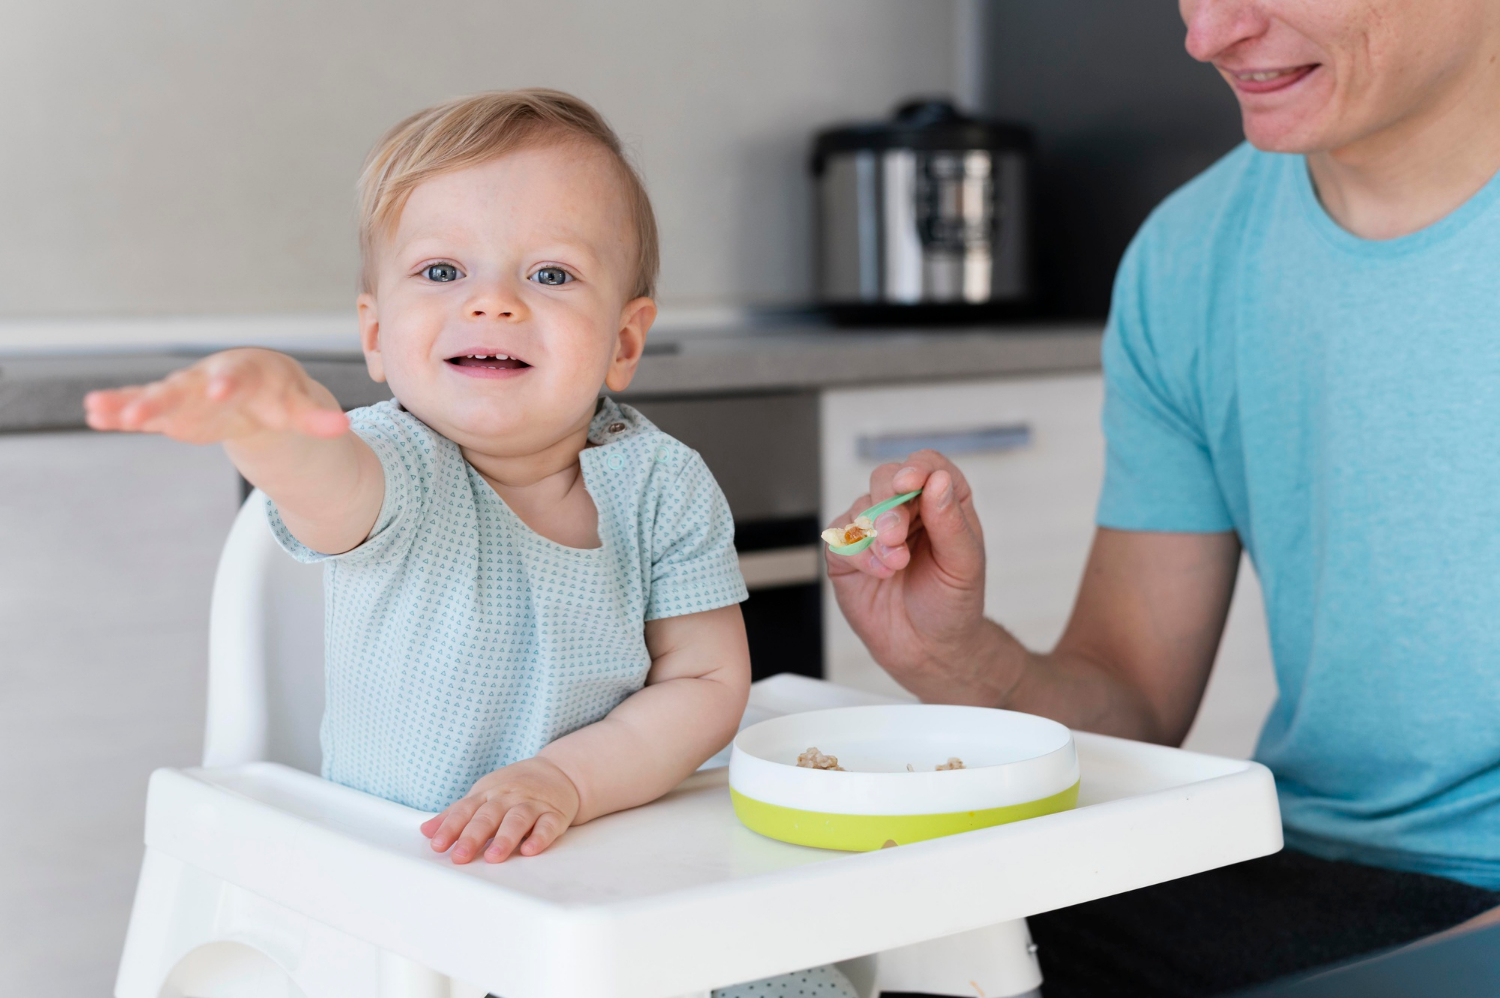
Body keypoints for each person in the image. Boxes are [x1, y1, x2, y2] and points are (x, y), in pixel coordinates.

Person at [826, 1, 1500, 994]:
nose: (1210, 33)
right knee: (882, 951)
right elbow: (1130, 702)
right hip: (1303, 876)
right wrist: (957, 654)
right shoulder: (1187, 259)